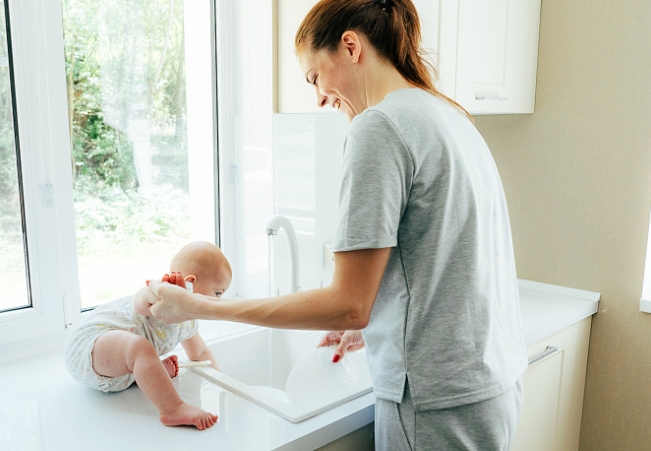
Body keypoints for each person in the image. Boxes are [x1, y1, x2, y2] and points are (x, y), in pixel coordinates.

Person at [147, 0, 529, 448]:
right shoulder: (447, 113)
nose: (319, 97)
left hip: (434, 397)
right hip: (490, 382)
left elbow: (349, 304)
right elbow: (442, 259)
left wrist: (198, 308)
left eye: (314, 77)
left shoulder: (379, 126)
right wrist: (382, 321)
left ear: (350, 46)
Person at [64, 241, 231, 430]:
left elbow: (200, 353)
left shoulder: (189, 323)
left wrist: (223, 385)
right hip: (90, 345)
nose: (219, 300)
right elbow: (140, 300)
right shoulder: (159, 297)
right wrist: (161, 293)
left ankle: (147, 372)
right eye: (217, 293)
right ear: (191, 283)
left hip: (116, 369)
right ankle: (173, 408)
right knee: (140, 348)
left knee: (142, 353)